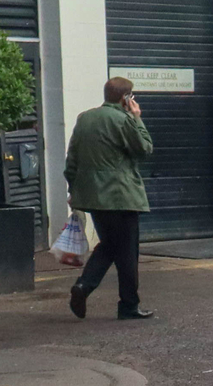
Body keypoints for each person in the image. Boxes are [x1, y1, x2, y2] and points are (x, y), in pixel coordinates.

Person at [64, 77, 157, 320]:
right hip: (121, 196)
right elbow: (144, 148)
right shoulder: (124, 119)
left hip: (93, 197)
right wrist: (137, 117)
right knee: (127, 252)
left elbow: (72, 158)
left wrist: (73, 189)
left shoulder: (85, 118)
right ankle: (127, 305)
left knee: (110, 245)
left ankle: (84, 286)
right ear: (126, 98)